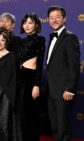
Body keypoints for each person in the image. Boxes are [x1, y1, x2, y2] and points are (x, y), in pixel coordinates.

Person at [45, 6, 80, 141]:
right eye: (51, 18)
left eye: (57, 17)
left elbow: (74, 65)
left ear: (64, 18)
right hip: (51, 90)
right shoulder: (53, 38)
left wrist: (70, 89)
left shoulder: (70, 38)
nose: (54, 20)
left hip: (63, 91)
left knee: (63, 127)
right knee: (55, 126)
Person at [18, 12, 45, 141]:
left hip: (30, 80)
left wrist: (36, 84)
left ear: (36, 25)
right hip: (20, 80)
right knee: (21, 115)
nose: (27, 25)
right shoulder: (21, 41)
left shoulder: (40, 40)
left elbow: (39, 63)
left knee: (30, 115)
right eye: (25, 23)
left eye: (30, 22)